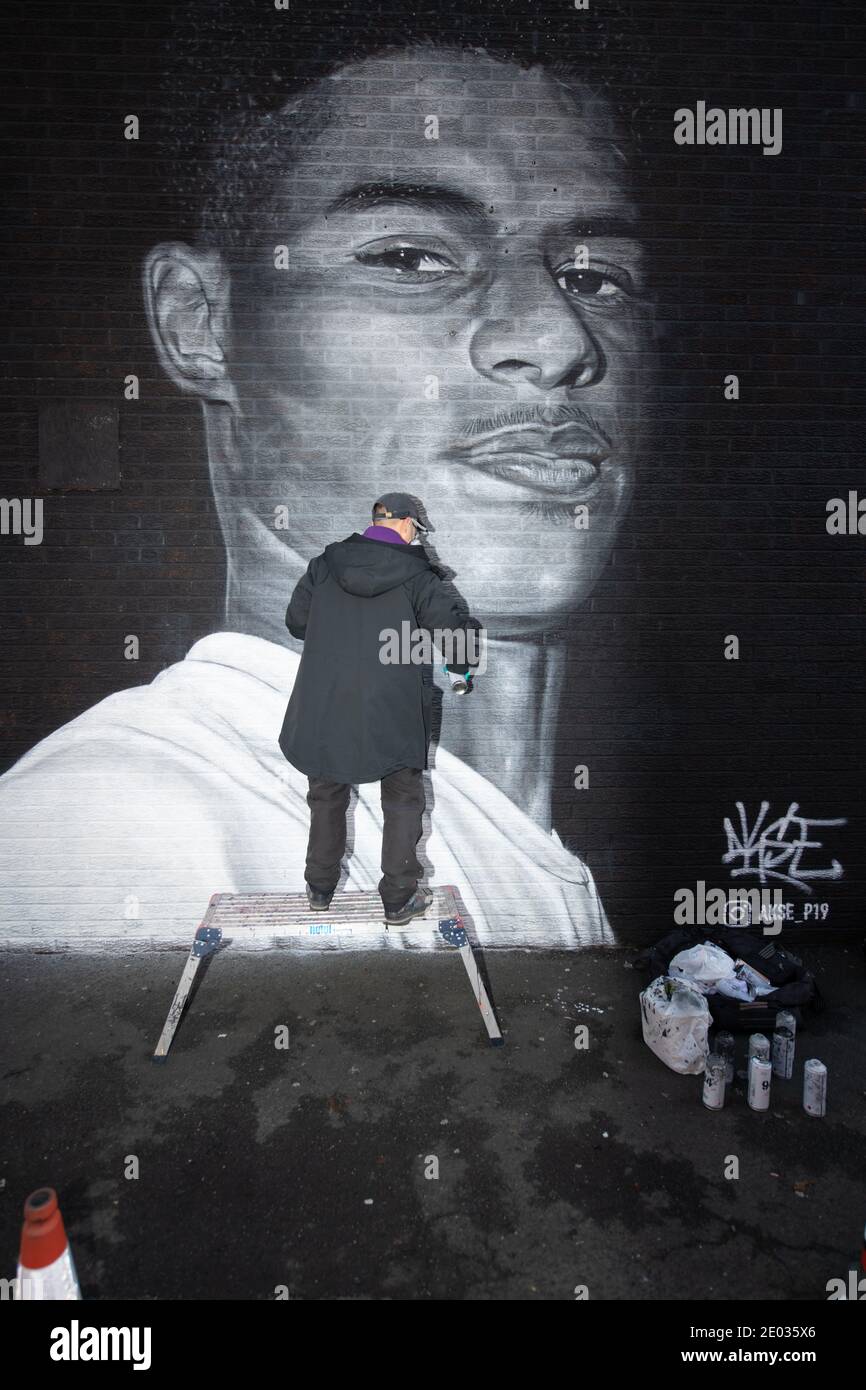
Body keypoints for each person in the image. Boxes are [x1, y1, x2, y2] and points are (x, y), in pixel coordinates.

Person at [0, 37, 652, 950]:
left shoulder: (518, 845)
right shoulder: (119, 835)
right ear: (200, 324)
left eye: (592, 277)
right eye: (410, 259)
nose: (554, 337)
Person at [281, 492, 482, 924]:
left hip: (327, 701)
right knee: (403, 799)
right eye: (417, 529)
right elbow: (452, 634)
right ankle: (397, 899)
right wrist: (462, 665)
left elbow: (297, 623)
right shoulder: (419, 577)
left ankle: (319, 888)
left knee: (327, 794)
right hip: (392, 705)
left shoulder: (325, 564)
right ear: (407, 524)